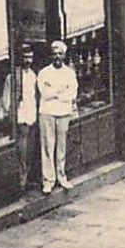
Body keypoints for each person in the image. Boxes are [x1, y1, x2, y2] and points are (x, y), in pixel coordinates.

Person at [36, 40, 78, 193]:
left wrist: (56, 92)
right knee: (47, 146)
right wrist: (60, 91)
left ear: (64, 55)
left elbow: (72, 93)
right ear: (50, 56)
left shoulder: (69, 73)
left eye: (60, 54)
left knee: (61, 146)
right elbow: (45, 93)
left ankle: (61, 176)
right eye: (54, 54)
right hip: (47, 112)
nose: (57, 57)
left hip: (63, 112)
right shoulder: (44, 73)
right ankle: (48, 180)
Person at [12, 43, 40, 192]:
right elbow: (8, 96)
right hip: (21, 113)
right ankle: (21, 180)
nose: (28, 60)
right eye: (25, 57)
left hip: (32, 112)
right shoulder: (15, 75)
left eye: (30, 57)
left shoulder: (33, 75)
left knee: (30, 147)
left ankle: (27, 177)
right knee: (22, 148)